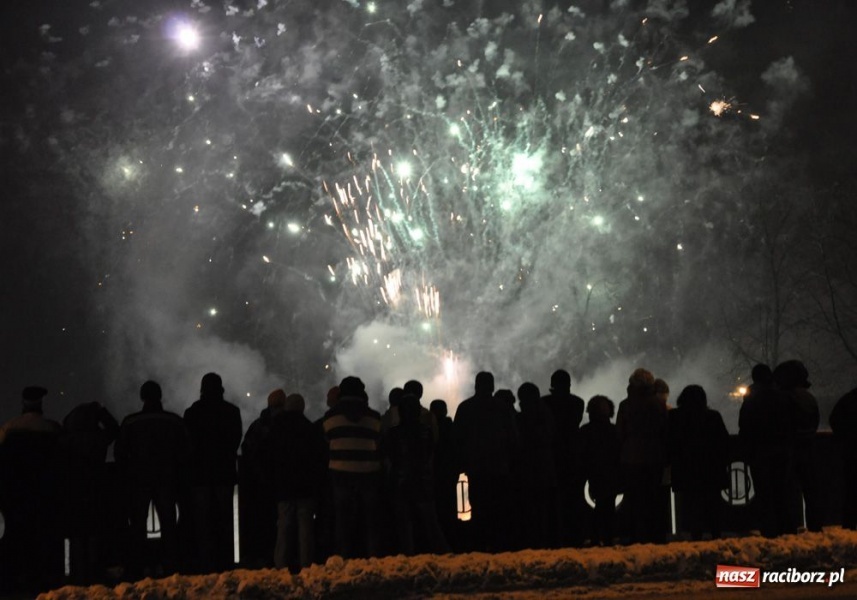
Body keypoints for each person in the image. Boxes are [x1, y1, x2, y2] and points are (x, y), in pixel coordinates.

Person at [115, 381, 190, 578]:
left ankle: (137, 568)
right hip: (167, 479)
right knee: (168, 523)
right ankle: (171, 566)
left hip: (139, 480)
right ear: (160, 396)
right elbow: (185, 451)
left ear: (142, 397)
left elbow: (120, 453)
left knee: (138, 525)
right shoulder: (174, 421)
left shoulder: (131, 422)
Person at [0, 386, 63, 593]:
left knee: (15, 538)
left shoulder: (9, 429)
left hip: (15, 495)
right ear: (40, 404)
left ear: (22, 404)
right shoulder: (52, 429)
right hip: (44, 495)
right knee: (42, 539)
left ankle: (14, 580)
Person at [183, 373, 243, 573]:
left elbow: (188, 444)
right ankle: (225, 563)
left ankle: (205, 563)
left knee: (203, 523)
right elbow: (235, 440)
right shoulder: (232, 411)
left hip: (199, 475)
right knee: (225, 520)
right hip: (224, 474)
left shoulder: (192, 413)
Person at [453, 371, 519, 552]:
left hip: (474, 468)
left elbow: (457, 439)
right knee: (498, 507)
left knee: (477, 506)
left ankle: (478, 543)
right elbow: (513, 439)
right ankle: (498, 543)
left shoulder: (465, 408)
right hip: (499, 468)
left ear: (476, 385)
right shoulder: (502, 408)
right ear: (492, 386)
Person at [264, 393, 327, 571]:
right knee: (305, 529)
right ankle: (306, 565)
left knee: (284, 528)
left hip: (283, 487)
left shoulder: (276, 428)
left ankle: (280, 564)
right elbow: (318, 458)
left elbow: (267, 456)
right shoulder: (310, 428)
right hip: (305, 488)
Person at [58, 401, 119, 583]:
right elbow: (114, 429)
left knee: (76, 534)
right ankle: (94, 573)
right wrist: (101, 411)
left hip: (72, 492)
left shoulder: (65, 442)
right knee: (94, 533)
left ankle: (77, 573)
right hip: (95, 491)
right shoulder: (98, 439)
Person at [322, 376, 383, 558]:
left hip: (340, 474)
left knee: (342, 521)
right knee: (372, 522)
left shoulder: (330, 418)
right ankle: (374, 559)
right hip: (369, 473)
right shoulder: (374, 417)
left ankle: (344, 558)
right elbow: (380, 444)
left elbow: (326, 443)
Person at [382, 393, 450, 555]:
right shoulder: (425, 431)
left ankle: (407, 555)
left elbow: (389, 456)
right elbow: (430, 453)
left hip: (401, 482)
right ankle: (443, 553)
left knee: (404, 525)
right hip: (423, 482)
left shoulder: (394, 433)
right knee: (430, 523)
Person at [739, 365, 799, 537]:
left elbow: (745, 426)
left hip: (760, 454)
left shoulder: (751, 400)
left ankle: (769, 530)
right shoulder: (782, 397)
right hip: (781, 452)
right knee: (782, 491)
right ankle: (787, 529)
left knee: (764, 493)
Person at [667, 385, 729, 540]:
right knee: (713, 504)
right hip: (710, 468)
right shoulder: (713, 417)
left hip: (686, 469)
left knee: (691, 504)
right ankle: (716, 534)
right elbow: (723, 441)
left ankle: (695, 535)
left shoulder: (675, 417)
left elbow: (670, 441)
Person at [616, 368, 668, 543]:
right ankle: (656, 534)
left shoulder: (625, 405)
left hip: (630, 458)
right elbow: (665, 431)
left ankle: (634, 535)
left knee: (633, 498)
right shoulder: (658, 405)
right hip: (654, 457)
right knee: (653, 498)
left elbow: (620, 433)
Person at [239, 389, 286, 568]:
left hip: (259, 483)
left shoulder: (257, 425)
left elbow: (246, 448)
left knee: (261, 521)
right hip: (281, 482)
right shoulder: (286, 425)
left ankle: (259, 556)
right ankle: (278, 557)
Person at [775, 360, 821, 531]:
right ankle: (815, 526)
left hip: (790, 450)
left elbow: (780, 424)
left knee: (788, 491)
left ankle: (789, 527)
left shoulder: (785, 398)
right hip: (808, 447)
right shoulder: (808, 398)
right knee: (810, 490)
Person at [541, 369, 585, 547]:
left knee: (552, 501)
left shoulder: (544, 404)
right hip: (572, 457)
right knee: (572, 499)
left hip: (551, 457)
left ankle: (553, 537)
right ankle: (574, 536)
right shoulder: (577, 403)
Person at [515, 382, 556, 550]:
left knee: (532, 508)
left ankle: (533, 540)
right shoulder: (546, 415)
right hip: (545, 469)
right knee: (543, 509)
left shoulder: (523, 419)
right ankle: (544, 540)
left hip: (530, 470)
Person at [577, 395, 621, 546]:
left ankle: (595, 536)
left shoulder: (585, 431)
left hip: (593, 473)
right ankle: (608, 535)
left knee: (598, 506)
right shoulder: (615, 431)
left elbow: (581, 453)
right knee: (608, 504)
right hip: (611, 473)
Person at [429, 399, 459, 550]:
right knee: (450, 506)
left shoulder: (428, 430)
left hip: (433, 475)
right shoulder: (451, 428)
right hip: (450, 473)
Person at [830, 386, 857, 529]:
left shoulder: (847, 401)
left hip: (851, 452)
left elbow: (834, 421)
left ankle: (849, 525)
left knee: (851, 491)